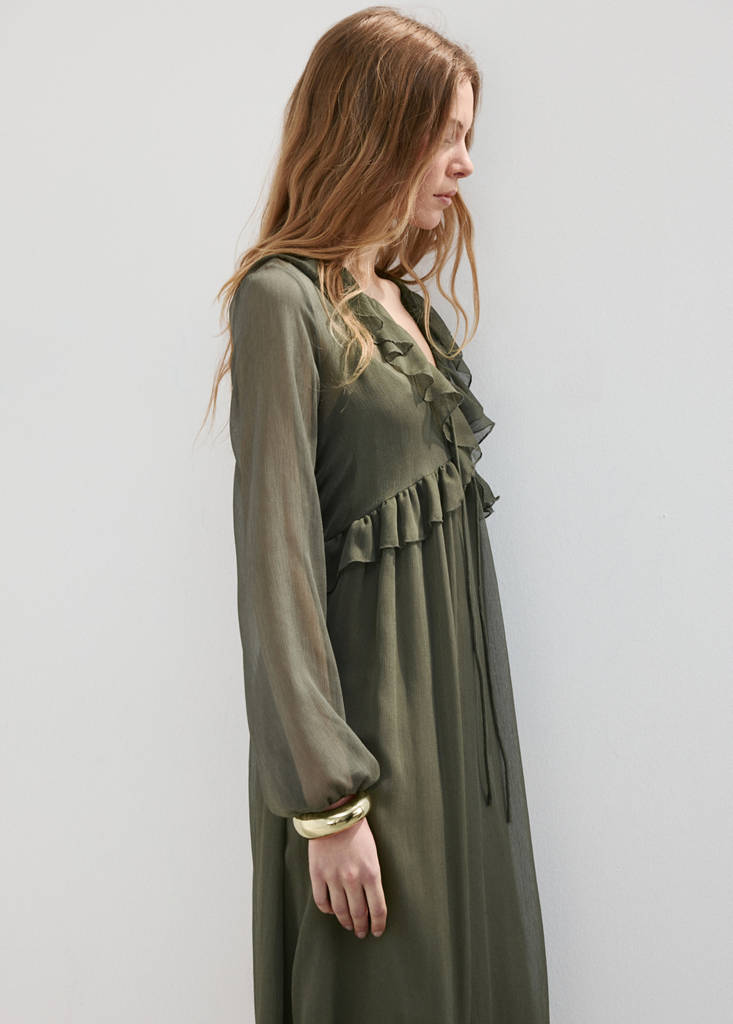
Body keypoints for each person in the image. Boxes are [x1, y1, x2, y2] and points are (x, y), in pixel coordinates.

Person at [207, 6, 550, 1022]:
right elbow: (275, 565)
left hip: (462, 748)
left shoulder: (411, 311)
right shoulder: (281, 302)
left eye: (466, 137)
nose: (465, 164)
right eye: (446, 135)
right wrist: (329, 804)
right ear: (378, 131)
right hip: (369, 753)